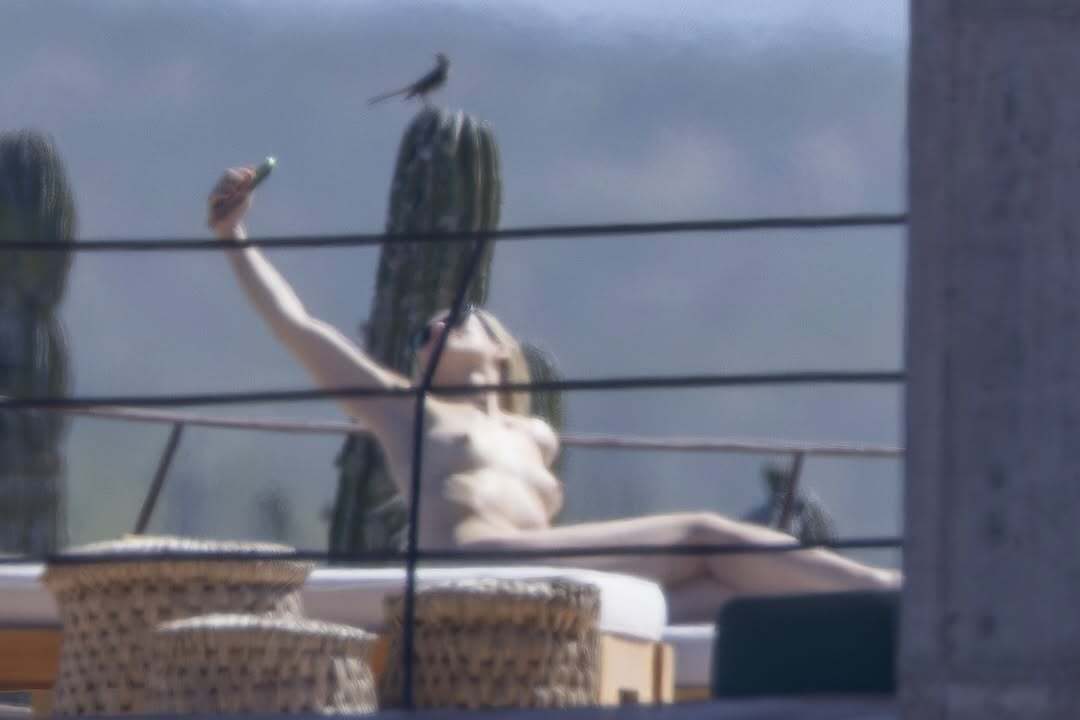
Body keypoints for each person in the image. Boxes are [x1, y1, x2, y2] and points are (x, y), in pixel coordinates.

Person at [207, 166, 901, 622]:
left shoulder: (534, 435)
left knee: (715, 595)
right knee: (701, 535)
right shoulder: (407, 411)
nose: (433, 328)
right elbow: (299, 328)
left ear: (502, 349)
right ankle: (893, 594)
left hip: (537, 573)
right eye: (421, 332)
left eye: (455, 317)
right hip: (469, 565)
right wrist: (234, 237)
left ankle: (866, 636)